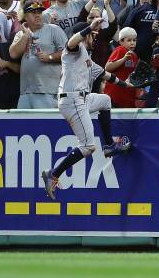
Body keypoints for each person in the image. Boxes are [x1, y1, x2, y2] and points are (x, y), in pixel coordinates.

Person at [41, 19, 134, 200]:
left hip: (81, 98)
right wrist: (89, 28)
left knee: (105, 100)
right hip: (72, 100)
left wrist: (127, 85)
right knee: (88, 147)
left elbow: (106, 75)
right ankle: (53, 174)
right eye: (92, 35)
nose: (94, 37)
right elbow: (71, 42)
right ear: (86, 35)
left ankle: (109, 145)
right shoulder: (75, 50)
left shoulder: (86, 59)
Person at [9, 1, 67, 109]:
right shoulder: (21, 34)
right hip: (25, 92)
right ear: (25, 17)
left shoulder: (53, 29)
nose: (37, 15)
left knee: (45, 125)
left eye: (39, 12)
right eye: (33, 12)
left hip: (48, 91)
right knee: (23, 125)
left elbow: (68, 54)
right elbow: (13, 54)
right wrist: (26, 36)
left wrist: (50, 57)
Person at [105, 27, 139, 108]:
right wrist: (123, 59)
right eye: (129, 40)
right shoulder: (120, 50)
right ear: (121, 42)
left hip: (128, 93)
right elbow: (107, 67)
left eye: (134, 40)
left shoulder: (134, 55)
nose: (132, 43)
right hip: (116, 93)